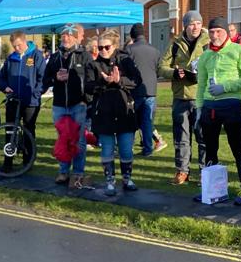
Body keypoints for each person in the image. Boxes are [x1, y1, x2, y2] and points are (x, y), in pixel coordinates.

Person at [195, 16, 241, 206]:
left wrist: (225, 87)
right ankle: (212, 191)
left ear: (227, 32)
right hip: (209, 107)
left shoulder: (239, 51)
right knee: (210, 150)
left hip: (231, 105)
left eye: (218, 32)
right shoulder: (205, 55)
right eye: (211, 32)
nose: (214, 36)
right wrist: (199, 109)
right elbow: (201, 84)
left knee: (237, 148)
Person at [159, 11, 209, 185]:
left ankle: (204, 172)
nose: (194, 27)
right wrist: (174, 73)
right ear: (185, 26)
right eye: (191, 24)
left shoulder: (208, 44)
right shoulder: (175, 44)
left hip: (201, 97)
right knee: (181, 137)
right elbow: (161, 67)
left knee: (203, 137)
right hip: (180, 97)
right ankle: (182, 171)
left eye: (197, 23)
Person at [42, 23, 95, 188]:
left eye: (68, 35)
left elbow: (90, 80)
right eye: (63, 35)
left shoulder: (84, 56)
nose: (65, 38)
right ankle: (63, 171)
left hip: (77, 104)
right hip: (59, 105)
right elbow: (45, 80)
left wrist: (85, 99)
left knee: (79, 141)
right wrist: (55, 78)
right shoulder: (55, 57)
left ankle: (78, 173)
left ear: (75, 38)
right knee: (63, 139)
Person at [89, 30, 142, 196]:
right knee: (107, 149)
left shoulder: (125, 60)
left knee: (126, 149)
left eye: (106, 47)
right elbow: (88, 87)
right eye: (100, 47)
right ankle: (110, 181)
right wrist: (103, 83)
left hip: (124, 110)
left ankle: (127, 178)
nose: (103, 50)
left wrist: (120, 81)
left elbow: (136, 80)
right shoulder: (94, 64)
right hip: (103, 112)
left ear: (114, 46)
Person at [0, 31, 43, 171]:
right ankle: (8, 162)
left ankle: (28, 161)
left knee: (28, 130)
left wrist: (35, 93)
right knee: (10, 130)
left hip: (31, 101)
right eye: (14, 46)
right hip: (13, 100)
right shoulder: (11, 58)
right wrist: (5, 87)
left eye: (19, 45)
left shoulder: (36, 55)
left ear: (25, 41)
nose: (17, 48)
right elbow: (1, 78)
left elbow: (42, 77)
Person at [127, 24, 166, 157]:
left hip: (134, 89)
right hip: (151, 90)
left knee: (131, 121)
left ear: (132, 35)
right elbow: (159, 70)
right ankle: (148, 148)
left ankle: (129, 148)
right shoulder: (155, 50)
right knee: (147, 121)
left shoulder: (129, 50)